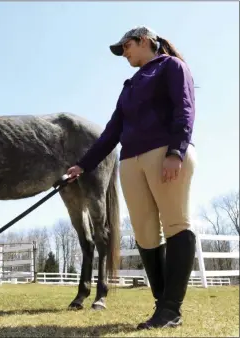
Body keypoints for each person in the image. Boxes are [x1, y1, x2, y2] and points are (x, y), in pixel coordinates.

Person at [67, 25, 197, 330]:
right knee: (145, 234)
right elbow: (111, 132)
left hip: (165, 151)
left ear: (143, 41)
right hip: (130, 161)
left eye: (125, 47)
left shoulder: (172, 67)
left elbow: (185, 108)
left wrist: (176, 151)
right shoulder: (129, 86)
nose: (123, 54)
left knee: (176, 224)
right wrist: (82, 165)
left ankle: (171, 309)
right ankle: (162, 304)